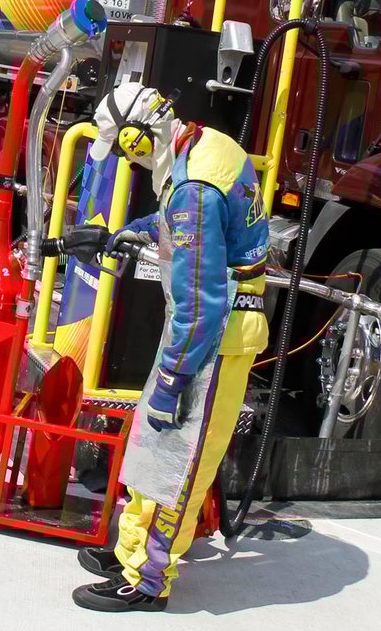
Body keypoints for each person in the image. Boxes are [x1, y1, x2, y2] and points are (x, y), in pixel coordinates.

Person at [63, 83, 268, 613]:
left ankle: (146, 580)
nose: (130, 161)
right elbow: (197, 232)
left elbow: (202, 299)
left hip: (209, 342)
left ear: (136, 137)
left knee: (178, 459)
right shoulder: (206, 148)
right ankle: (132, 548)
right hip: (207, 336)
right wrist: (128, 233)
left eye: (126, 150)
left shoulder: (192, 188)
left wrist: (174, 380)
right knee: (153, 447)